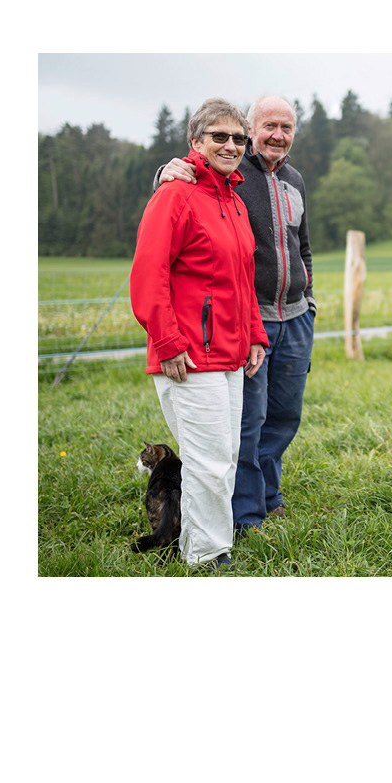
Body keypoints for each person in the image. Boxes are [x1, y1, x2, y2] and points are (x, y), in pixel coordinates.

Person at [157, 94, 315, 534]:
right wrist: (165, 170)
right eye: (269, 127)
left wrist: (311, 299)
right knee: (248, 422)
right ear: (252, 130)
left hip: (297, 317)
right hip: (249, 318)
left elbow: (302, 246)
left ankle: (269, 495)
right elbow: (188, 183)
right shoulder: (232, 169)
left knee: (285, 417)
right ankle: (245, 515)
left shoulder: (296, 181)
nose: (277, 136)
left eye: (287, 128)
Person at [131, 98, 268, 566]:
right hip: (187, 353)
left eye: (238, 138)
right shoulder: (175, 194)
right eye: (219, 136)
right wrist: (168, 342)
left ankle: (195, 542)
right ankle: (210, 557)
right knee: (209, 463)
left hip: (229, 352)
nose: (231, 145)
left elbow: (240, 278)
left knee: (222, 458)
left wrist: (254, 334)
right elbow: (148, 276)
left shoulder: (231, 200)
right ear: (196, 142)